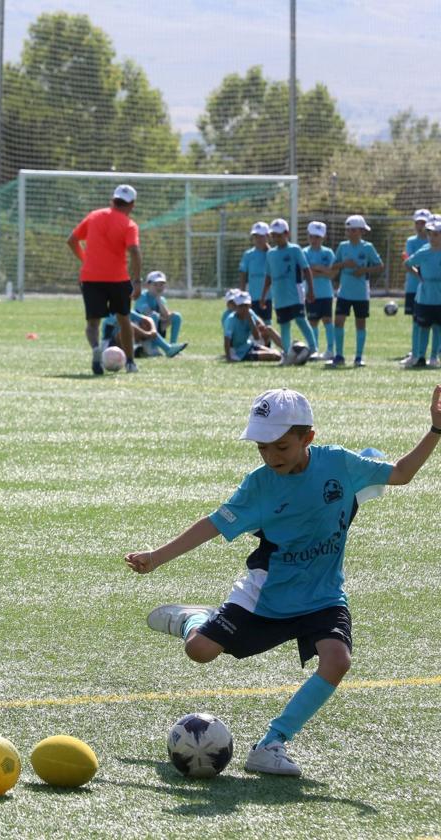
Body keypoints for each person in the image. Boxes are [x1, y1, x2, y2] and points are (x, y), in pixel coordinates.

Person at [127, 386, 441, 776]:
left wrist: (435, 430)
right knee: (201, 652)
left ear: (307, 437)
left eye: (280, 447)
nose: (271, 457)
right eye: (262, 448)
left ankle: (271, 743)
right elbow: (211, 524)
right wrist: (156, 557)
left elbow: (401, 474)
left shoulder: (339, 464)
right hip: (266, 594)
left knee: (337, 660)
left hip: (322, 594)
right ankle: (191, 620)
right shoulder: (259, 485)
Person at [67, 184, 142, 375]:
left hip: (91, 277)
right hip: (118, 279)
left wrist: (86, 260)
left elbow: (72, 240)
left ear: (113, 200)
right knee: (124, 320)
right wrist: (137, 280)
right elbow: (134, 251)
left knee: (93, 323)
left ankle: (95, 349)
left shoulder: (94, 216)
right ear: (132, 204)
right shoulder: (129, 225)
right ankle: (131, 363)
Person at [259, 218, 316, 364]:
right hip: (279, 296)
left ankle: (313, 349)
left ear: (287, 233)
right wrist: (263, 296)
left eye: (279, 235)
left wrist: (310, 290)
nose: (277, 238)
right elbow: (268, 276)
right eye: (274, 235)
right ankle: (287, 354)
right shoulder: (271, 254)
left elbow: (306, 270)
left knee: (300, 320)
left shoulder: (295, 250)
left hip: (295, 294)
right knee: (284, 325)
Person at [330, 214, 383, 368]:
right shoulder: (342, 246)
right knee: (338, 322)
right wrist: (344, 264)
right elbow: (333, 266)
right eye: (349, 230)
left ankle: (358, 357)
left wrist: (363, 270)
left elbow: (379, 266)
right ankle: (339, 355)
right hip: (344, 292)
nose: (351, 232)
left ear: (360, 231)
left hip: (361, 294)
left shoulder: (368, 247)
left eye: (354, 230)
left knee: (360, 324)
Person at [403, 217, 441, 368]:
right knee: (423, 327)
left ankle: (434, 357)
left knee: (438, 328)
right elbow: (407, 263)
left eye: (436, 234)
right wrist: (419, 276)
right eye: (430, 234)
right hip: (425, 297)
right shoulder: (424, 251)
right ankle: (420, 357)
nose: (432, 237)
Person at [133, 272, 188, 357]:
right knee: (154, 316)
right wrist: (162, 317)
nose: (159, 287)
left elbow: (166, 315)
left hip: (154, 327)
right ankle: (152, 348)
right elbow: (148, 314)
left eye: (161, 284)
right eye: (155, 284)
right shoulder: (142, 296)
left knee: (176, 316)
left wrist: (158, 300)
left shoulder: (161, 299)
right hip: (140, 331)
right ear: (148, 285)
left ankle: (173, 346)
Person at [304, 221, 338, 360]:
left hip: (326, 293)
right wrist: (323, 270)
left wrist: (317, 268)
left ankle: (330, 350)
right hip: (311, 292)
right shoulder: (304, 252)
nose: (314, 240)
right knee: (313, 321)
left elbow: (333, 272)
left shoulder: (328, 252)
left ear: (323, 238)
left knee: (328, 320)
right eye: (312, 236)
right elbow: (306, 271)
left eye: (317, 237)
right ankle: (314, 349)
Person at [222, 293, 282, 362]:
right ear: (236, 306)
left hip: (248, 346)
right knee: (273, 355)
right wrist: (229, 357)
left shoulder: (249, 314)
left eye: (246, 306)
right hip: (238, 353)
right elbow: (227, 340)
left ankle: (288, 352)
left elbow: (257, 337)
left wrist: (250, 320)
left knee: (275, 352)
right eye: (241, 306)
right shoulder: (231, 320)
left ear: (250, 305)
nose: (244, 308)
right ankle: (289, 355)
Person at [239, 222, 272, 323]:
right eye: (256, 236)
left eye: (261, 236)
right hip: (251, 297)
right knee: (252, 323)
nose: (258, 239)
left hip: (267, 296)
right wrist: (242, 294)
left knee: (266, 324)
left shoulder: (271, 253)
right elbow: (243, 275)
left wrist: (269, 250)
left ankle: (267, 339)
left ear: (267, 236)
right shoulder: (248, 255)